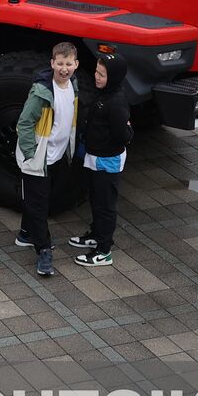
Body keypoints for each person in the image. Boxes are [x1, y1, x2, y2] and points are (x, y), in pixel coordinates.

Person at [13, 42, 79, 277]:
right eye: (59, 63)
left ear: (76, 65)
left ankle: (25, 234)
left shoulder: (73, 85)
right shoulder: (41, 92)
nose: (64, 69)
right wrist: (31, 154)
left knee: (39, 200)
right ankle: (43, 251)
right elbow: (24, 123)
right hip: (38, 160)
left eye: (68, 64)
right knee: (39, 206)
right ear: (52, 63)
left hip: (56, 157)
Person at [70, 54, 132, 268]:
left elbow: (123, 135)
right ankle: (96, 235)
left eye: (101, 74)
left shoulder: (116, 103)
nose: (96, 77)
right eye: (96, 72)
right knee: (96, 199)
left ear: (113, 77)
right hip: (95, 157)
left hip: (107, 161)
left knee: (105, 205)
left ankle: (104, 250)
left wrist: (129, 129)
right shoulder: (105, 94)